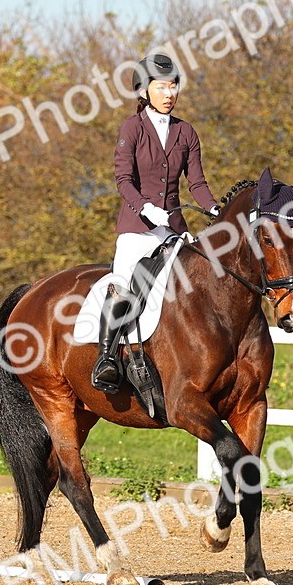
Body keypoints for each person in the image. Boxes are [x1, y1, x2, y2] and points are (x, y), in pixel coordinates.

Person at [91, 52, 220, 392]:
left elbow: (197, 183)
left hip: (174, 230)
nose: (169, 93)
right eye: (161, 87)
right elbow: (123, 180)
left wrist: (214, 209)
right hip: (137, 229)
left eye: (173, 86)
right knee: (122, 283)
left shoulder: (186, 132)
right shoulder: (132, 128)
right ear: (143, 90)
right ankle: (106, 358)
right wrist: (146, 209)